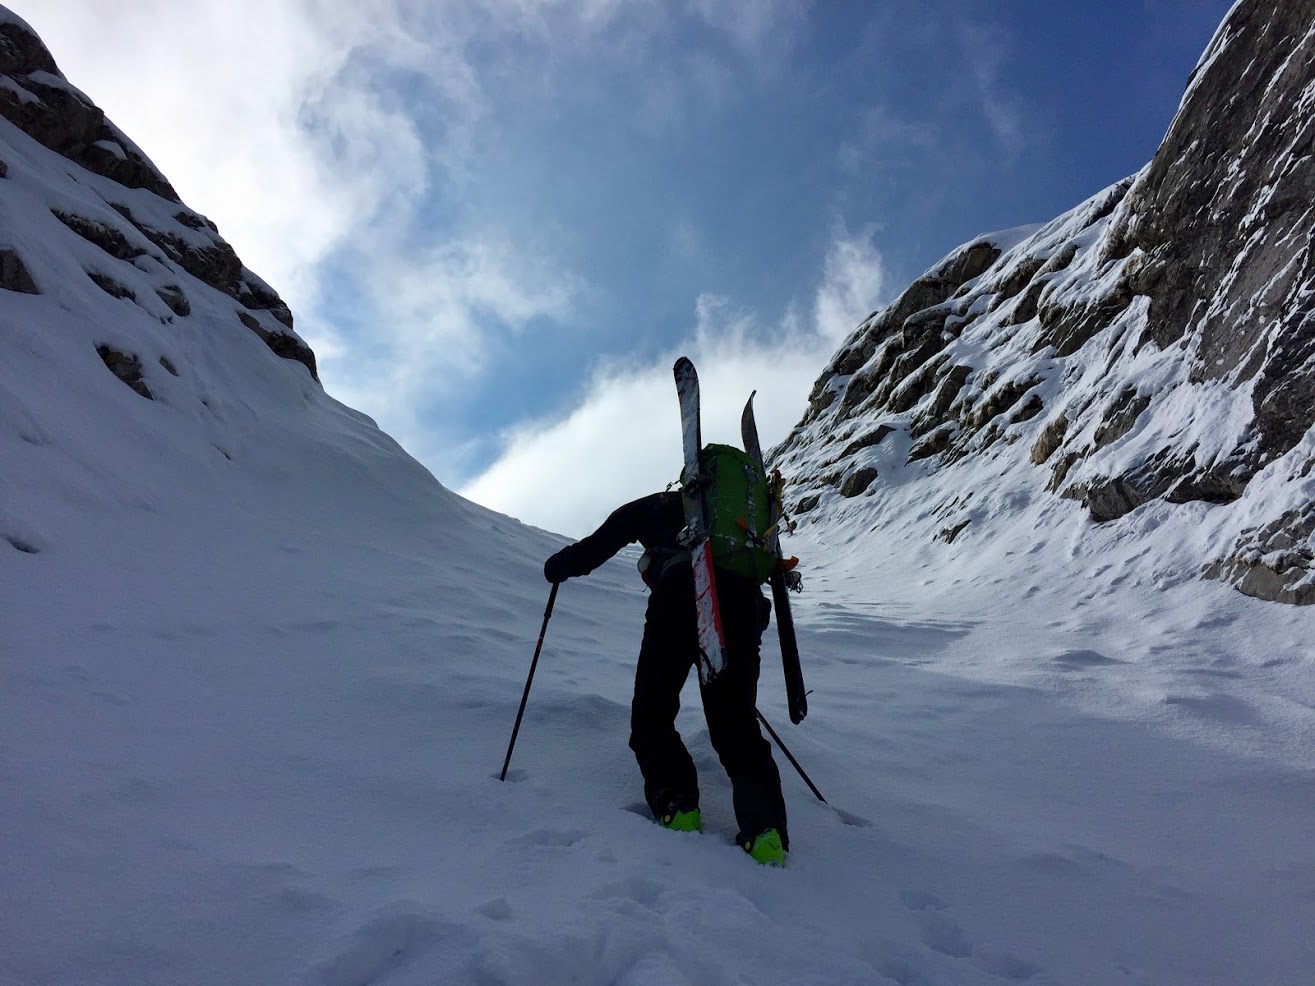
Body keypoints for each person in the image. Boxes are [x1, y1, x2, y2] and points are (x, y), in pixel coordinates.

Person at [543, 489, 789, 865]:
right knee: (736, 726)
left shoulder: (657, 505)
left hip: (681, 590)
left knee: (652, 714)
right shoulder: (744, 525)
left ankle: (678, 806)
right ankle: (766, 832)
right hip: (744, 604)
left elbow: (599, 545)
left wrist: (557, 567)